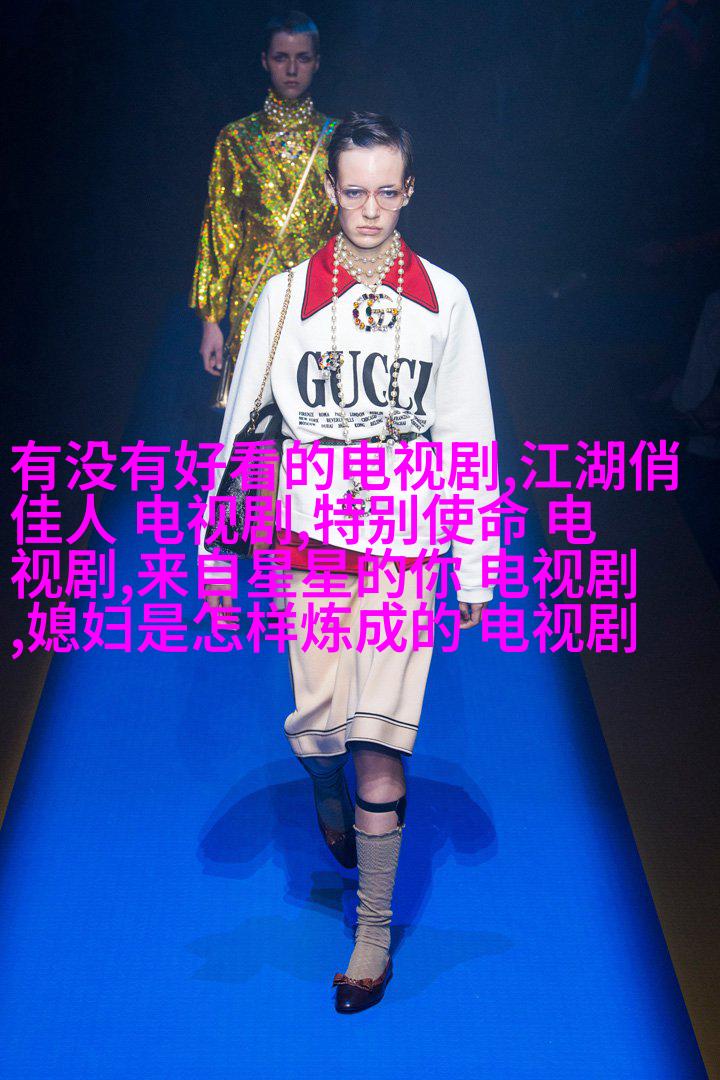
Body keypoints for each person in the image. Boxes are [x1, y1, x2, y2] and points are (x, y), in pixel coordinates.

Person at [198, 112, 501, 1012]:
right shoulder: (287, 295)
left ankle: (372, 935)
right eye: (354, 190)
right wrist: (216, 550)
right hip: (313, 546)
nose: (370, 209)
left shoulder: (446, 299)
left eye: (386, 191)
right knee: (323, 732)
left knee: (380, 744)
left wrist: (475, 556)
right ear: (331, 192)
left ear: (409, 191)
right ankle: (323, 783)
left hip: (406, 546)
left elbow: (469, 430)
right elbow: (245, 423)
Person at [189, 10, 338, 409]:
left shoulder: (338, 139)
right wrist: (211, 321)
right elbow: (220, 229)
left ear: (317, 62)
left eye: (302, 58)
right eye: (281, 57)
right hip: (254, 299)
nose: (291, 69)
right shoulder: (237, 139)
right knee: (252, 424)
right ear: (264, 61)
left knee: (317, 418)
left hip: (321, 296)